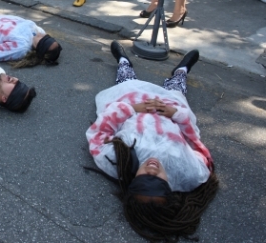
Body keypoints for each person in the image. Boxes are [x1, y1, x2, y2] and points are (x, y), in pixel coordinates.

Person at [86, 41, 217, 241]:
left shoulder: (117, 162)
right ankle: (181, 70)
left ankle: (123, 60)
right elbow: (195, 143)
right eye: (158, 179)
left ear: (133, 185)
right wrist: (176, 114)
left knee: (126, 81)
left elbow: (99, 133)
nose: (152, 169)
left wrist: (132, 108)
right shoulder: (190, 173)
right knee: (176, 89)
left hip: (133, 103)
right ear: (171, 191)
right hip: (169, 107)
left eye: (145, 177)